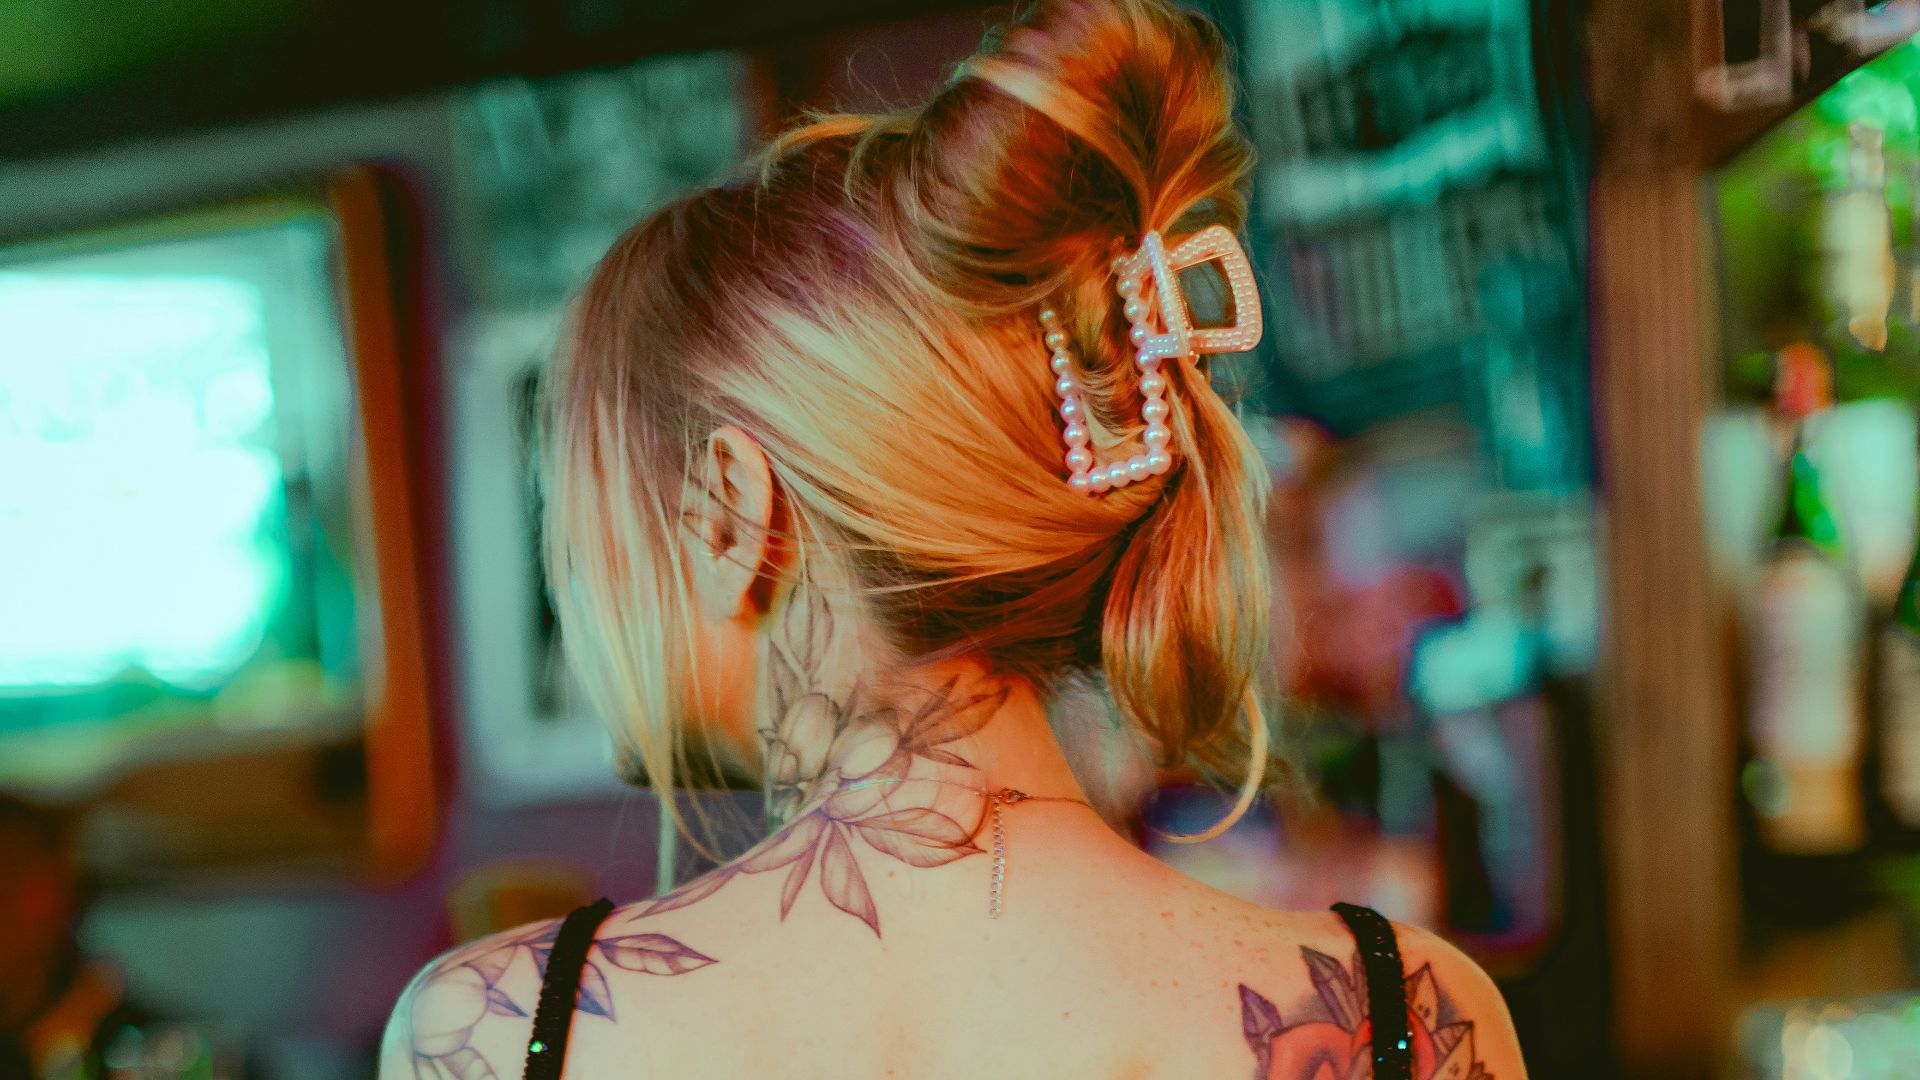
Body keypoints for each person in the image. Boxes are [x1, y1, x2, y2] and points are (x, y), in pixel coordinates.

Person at [382, 1, 1529, 1075]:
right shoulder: (1406, 1018)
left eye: (585, 534)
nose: (585, 607)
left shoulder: (497, 1036)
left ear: (734, 508)